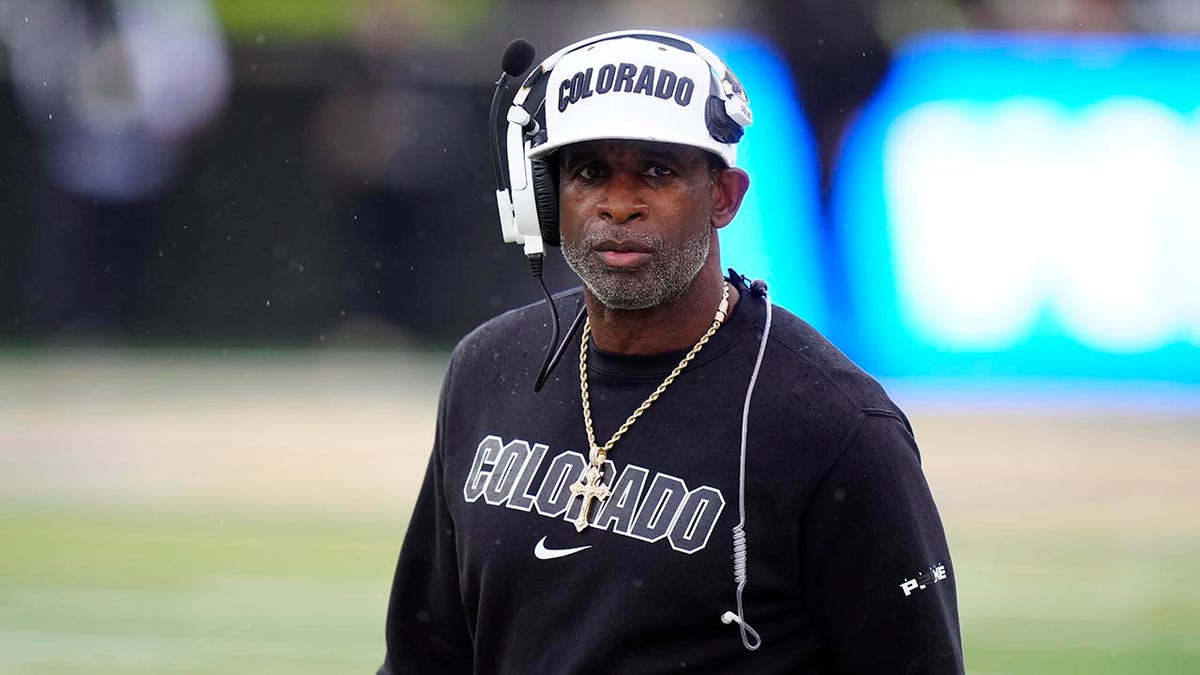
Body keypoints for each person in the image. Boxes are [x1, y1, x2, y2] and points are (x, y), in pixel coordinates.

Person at [377, 30, 964, 674]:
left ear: (724, 197)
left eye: (656, 171)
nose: (619, 204)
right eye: (590, 171)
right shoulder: (487, 368)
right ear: (543, 203)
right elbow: (424, 655)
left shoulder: (836, 425)